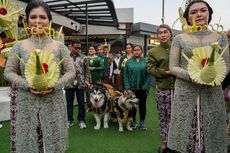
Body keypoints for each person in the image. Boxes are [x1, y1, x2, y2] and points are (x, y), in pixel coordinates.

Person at [4, 0, 75, 152]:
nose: (38, 21)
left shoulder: (59, 46)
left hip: (53, 102)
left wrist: (54, 85)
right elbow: (8, 71)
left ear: (49, 21)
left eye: (42, 17)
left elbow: (70, 71)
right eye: (33, 17)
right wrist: (26, 84)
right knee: (28, 142)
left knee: (54, 142)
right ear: (27, 21)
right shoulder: (19, 46)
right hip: (26, 102)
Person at [167, 1, 229, 153]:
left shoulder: (220, 37)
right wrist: (190, 76)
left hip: (212, 91)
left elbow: (227, 64)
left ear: (209, 13)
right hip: (185, 91)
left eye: (203, 10)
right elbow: (172, 67)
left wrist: (213, 76)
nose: (199, 14)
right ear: (187, 17)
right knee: (184, 134)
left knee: (213, 132)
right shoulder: (179, 38)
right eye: (193, 12)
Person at [147, 24, 175, 153]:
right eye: (160, 33)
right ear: (157, 35)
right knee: (164, 116)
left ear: (170, 33)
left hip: (179, 89)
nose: (163, 35)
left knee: (177, 116)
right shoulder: (153, 51)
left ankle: (176, 143)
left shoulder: (178, 47)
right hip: (163, 89)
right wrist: (166, 72)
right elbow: (150, 69)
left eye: (165, 32)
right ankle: (165, 143)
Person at [124, 44, 151, 130]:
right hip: (132, 89)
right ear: (133, 51)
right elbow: (125, 75)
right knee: (132, 106)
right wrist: (127, 87)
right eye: (135, 50)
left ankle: (142, 122)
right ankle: (133, 121)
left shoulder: (146, 62)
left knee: (142, 106)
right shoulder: (129, 62)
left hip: (142, 88)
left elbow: (148, 75)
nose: (136, 51)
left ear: (142, 51)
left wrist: (145, 86)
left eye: (138, 50)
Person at [64, 40, 90, 129]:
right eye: (76, 48)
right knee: (69, 103)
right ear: (71, 47)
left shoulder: (85, 57)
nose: (78, 49)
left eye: (80, 48)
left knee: (81, 103)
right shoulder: (65, 57)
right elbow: (61, 69)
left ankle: (81, 120)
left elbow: (87, 71)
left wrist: (86, 80)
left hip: (81, 83)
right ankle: (69, 120)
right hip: (69, 83)